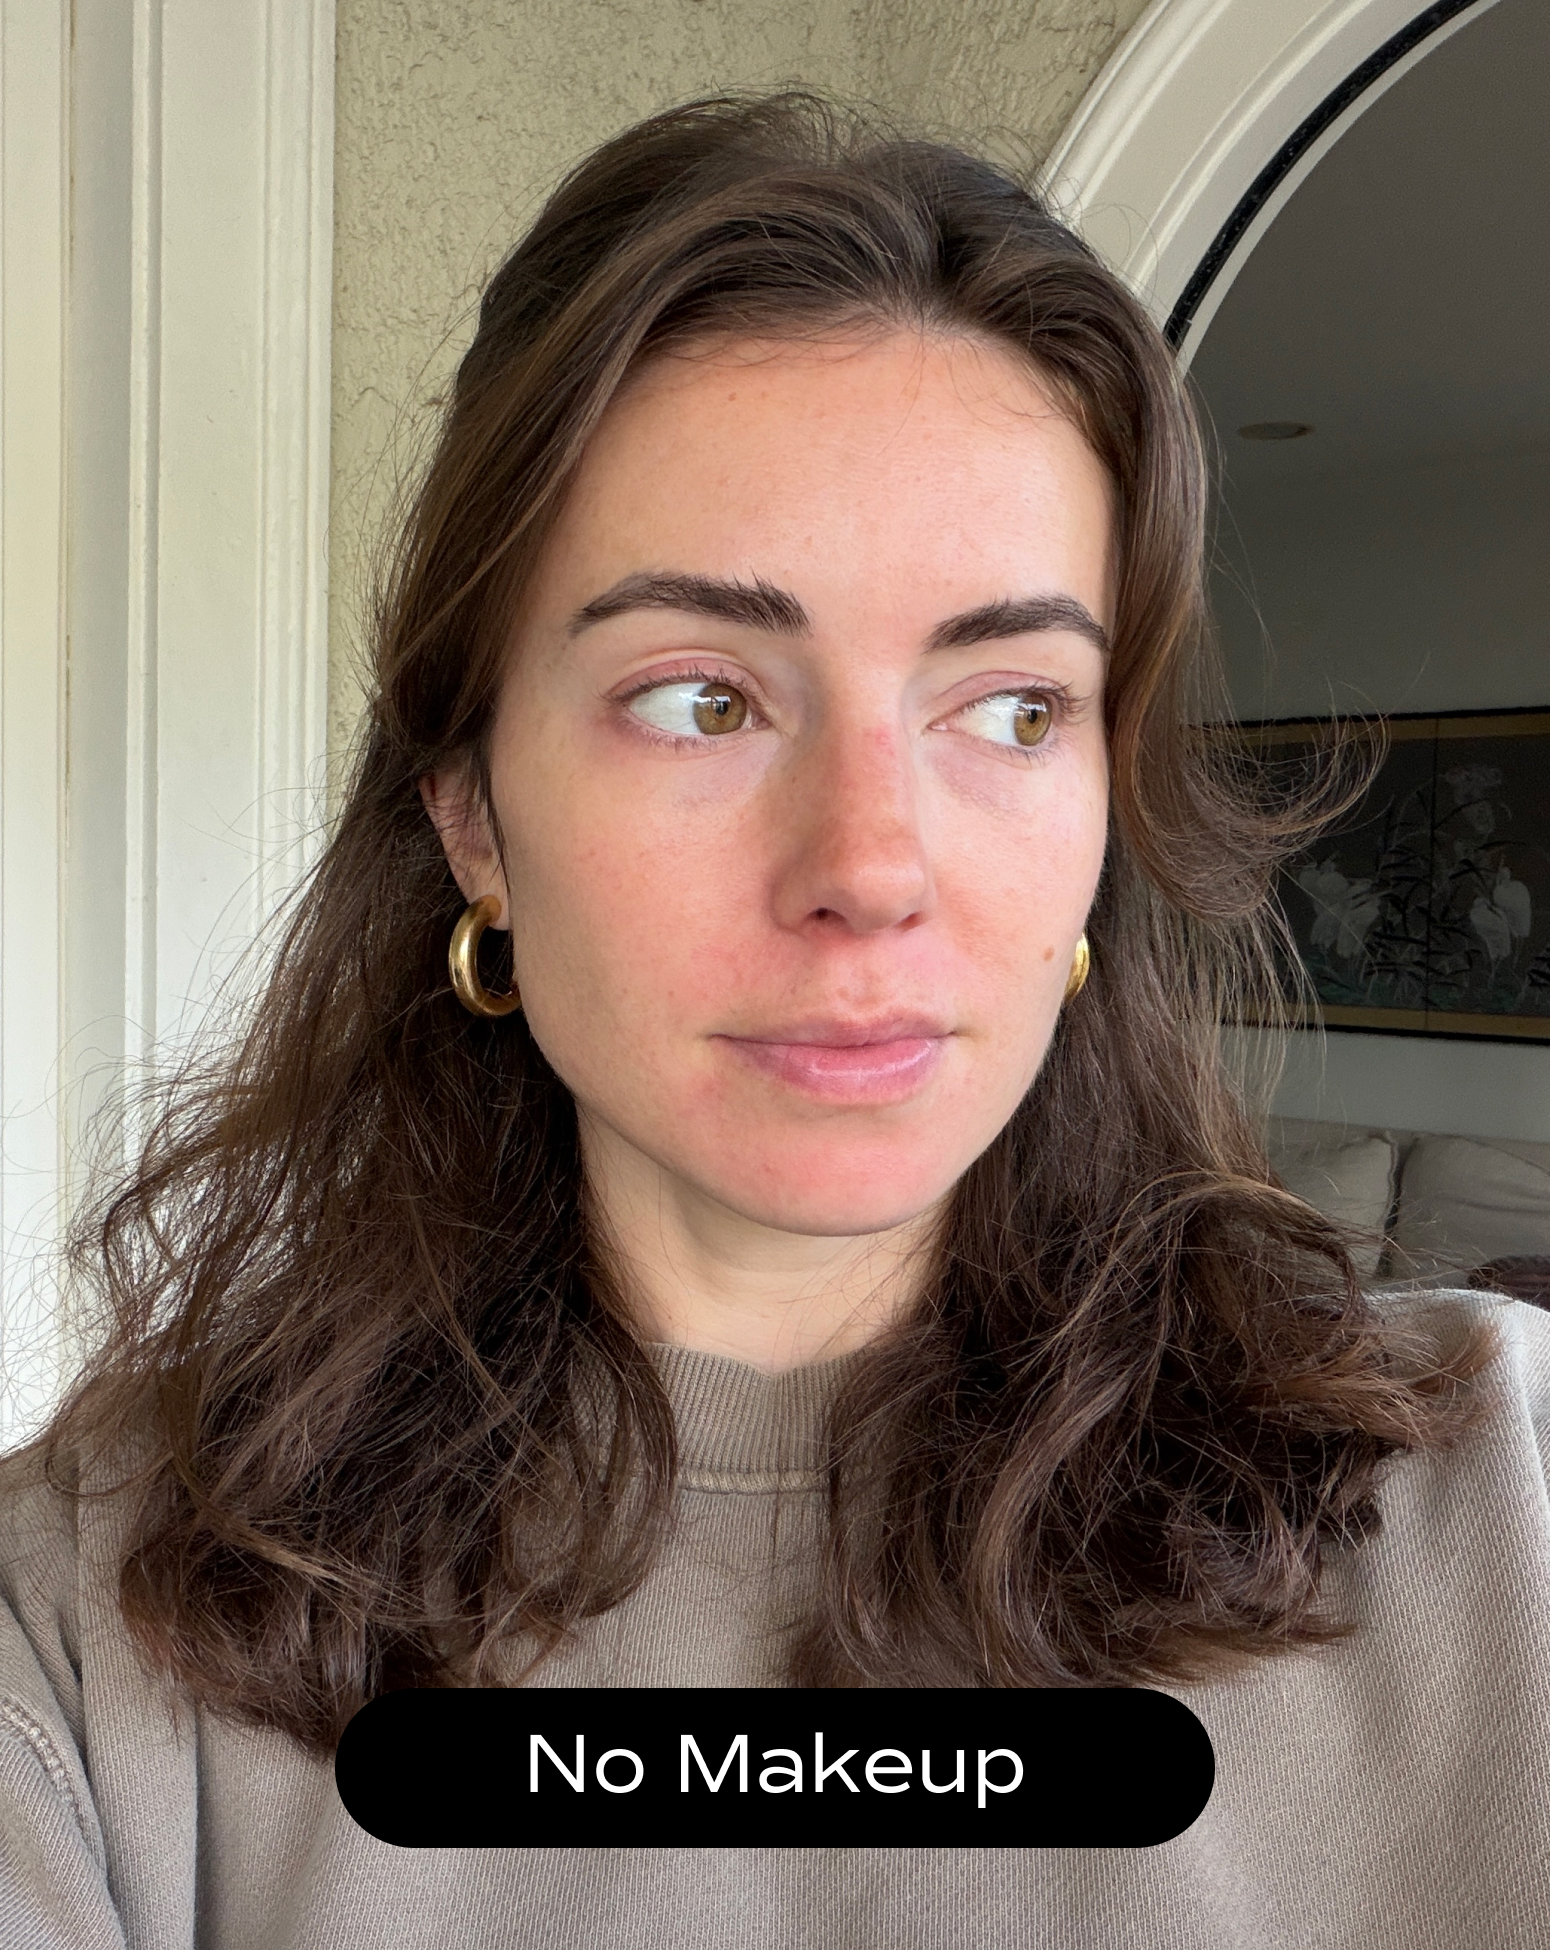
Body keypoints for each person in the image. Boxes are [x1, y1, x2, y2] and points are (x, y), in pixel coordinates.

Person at [2, 92, 1546, 1950]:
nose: (872, 867)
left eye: (1009, 706)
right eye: (701, 699)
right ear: (471, 813)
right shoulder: (91, 1615)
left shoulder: (1503, 1513)